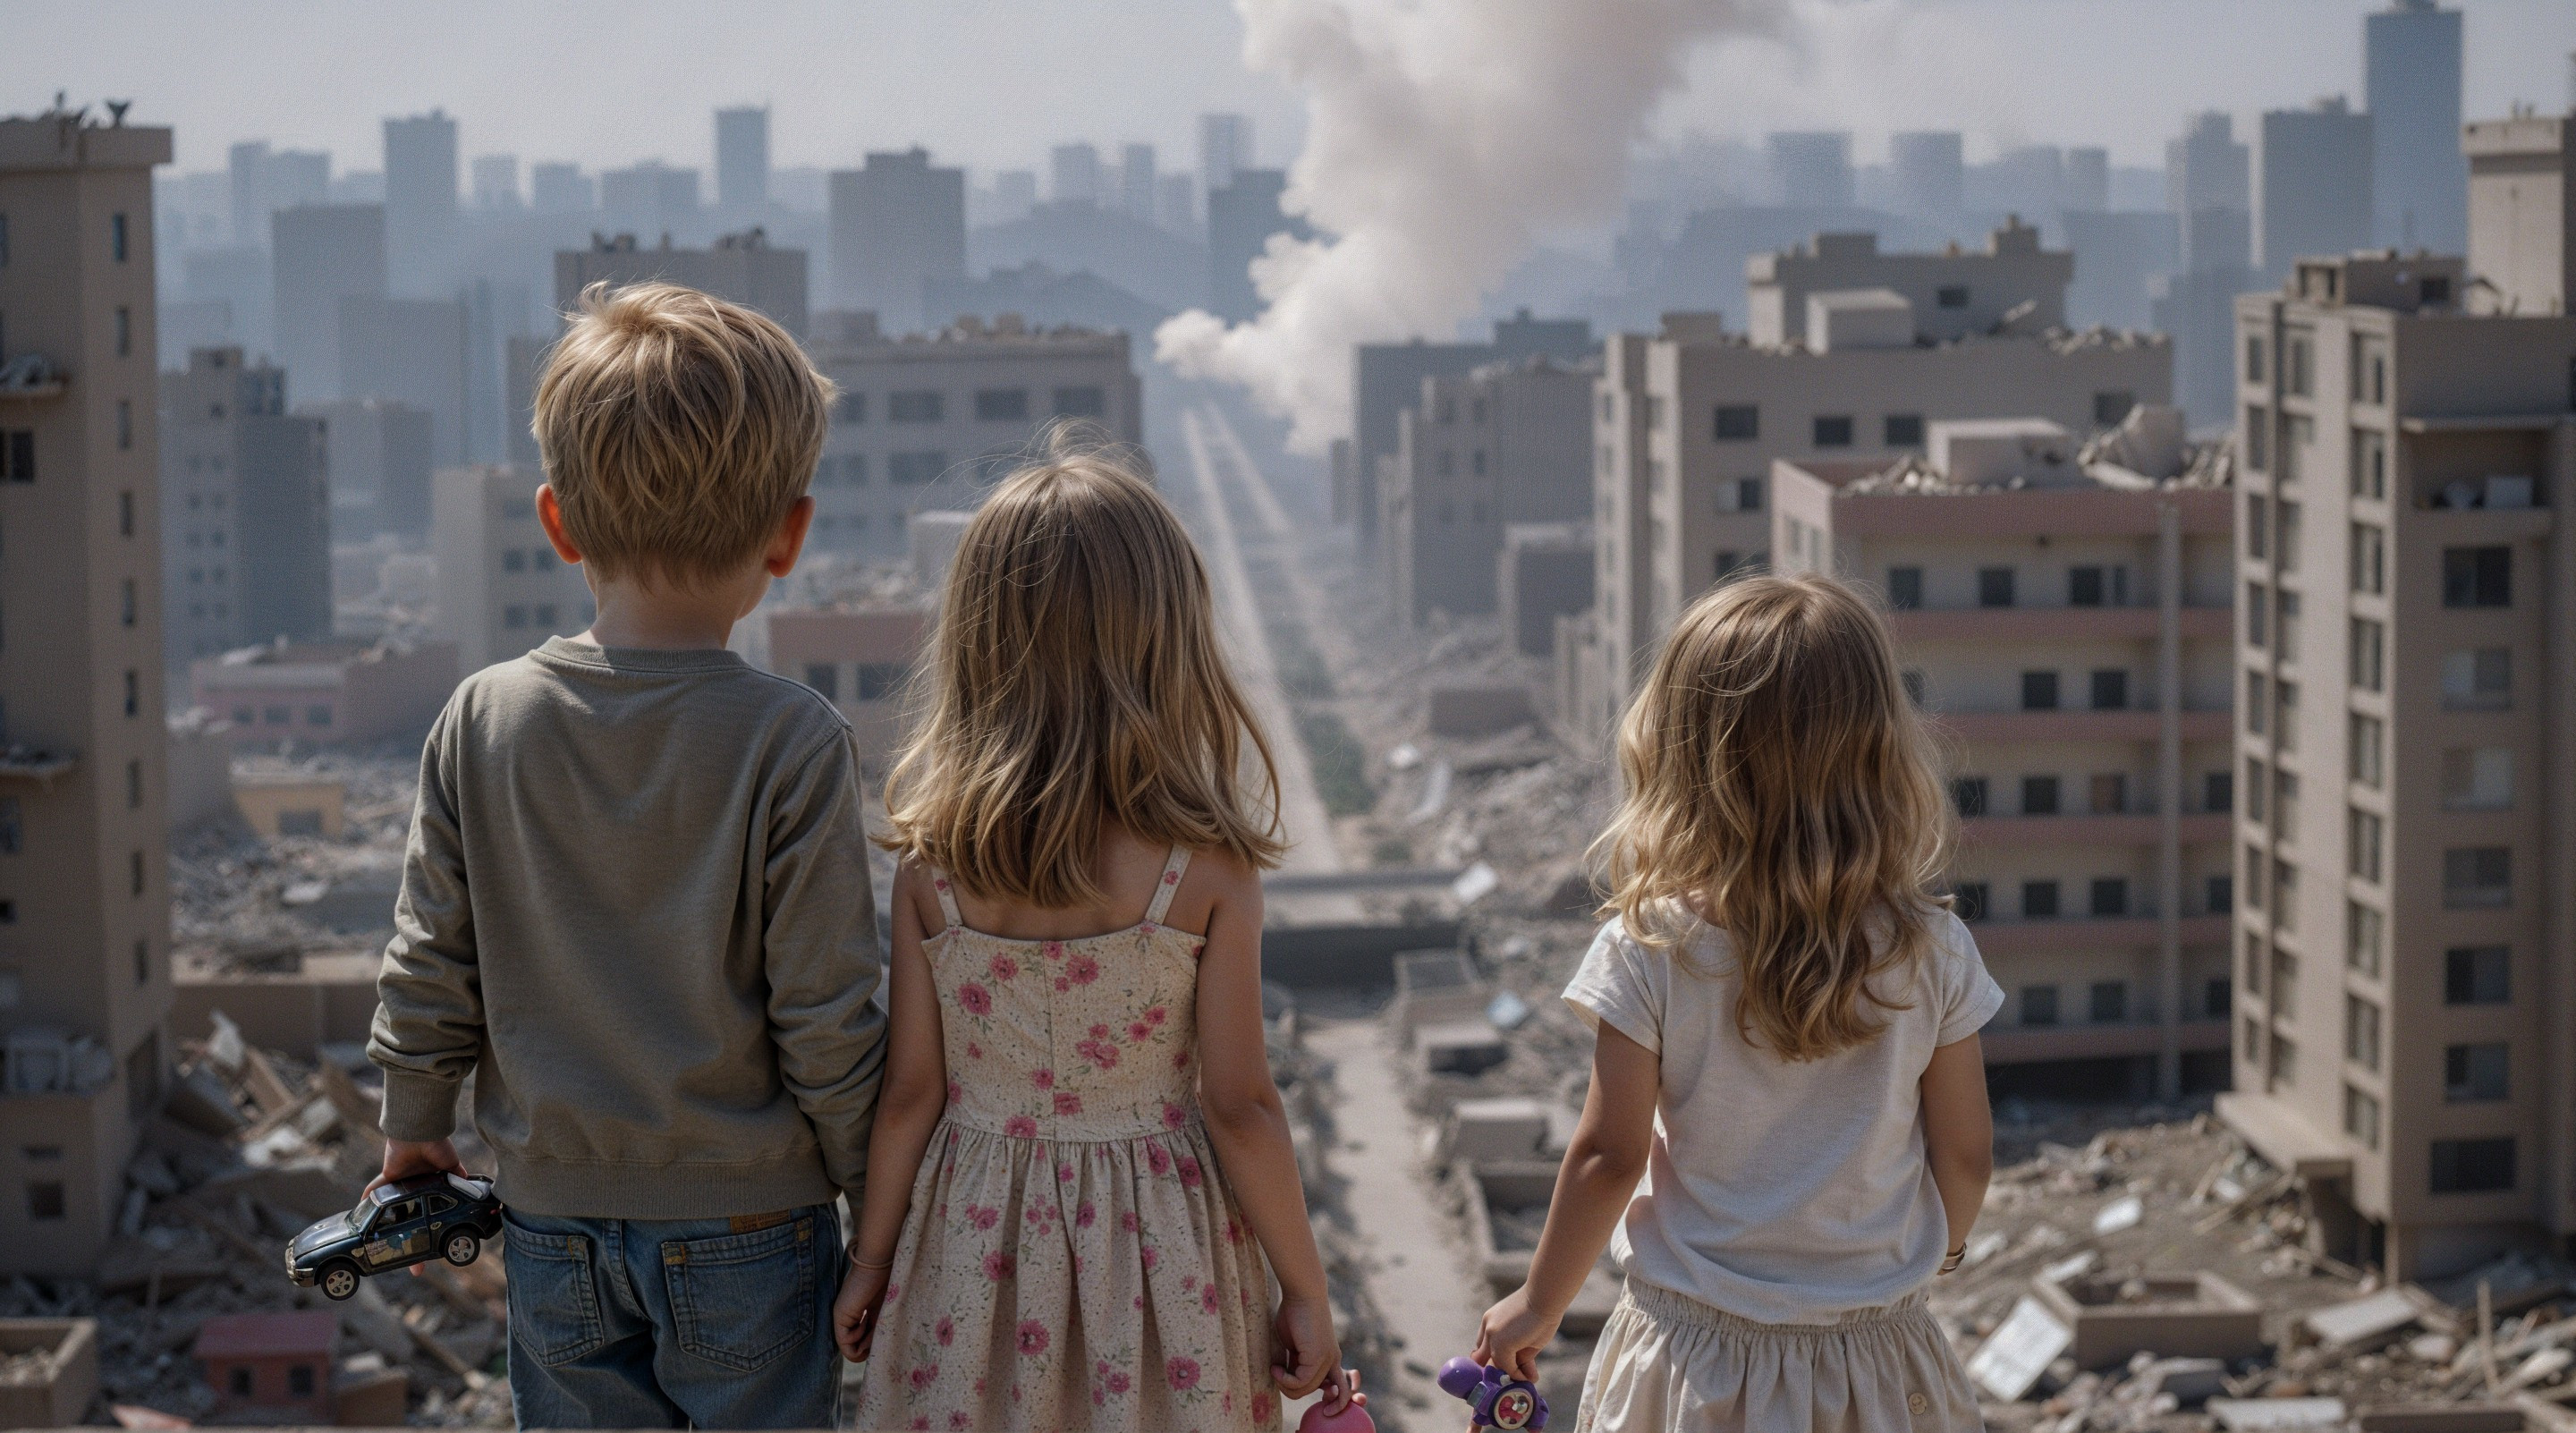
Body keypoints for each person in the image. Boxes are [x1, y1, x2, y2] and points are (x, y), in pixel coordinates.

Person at [367, 282, 885, 1429]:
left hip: (553, 1225)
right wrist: (876, 1199)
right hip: (757, 1225)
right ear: (789, 535)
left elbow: (428, 957)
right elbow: (827, 1014)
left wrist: (414, 1126)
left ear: (558, 523)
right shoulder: (792, 739)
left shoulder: (482, 717)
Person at [839, 436, 1356, 1431]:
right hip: (1159, 1259)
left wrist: (870, 1263)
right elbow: (1240, 1103)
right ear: (1169, 642)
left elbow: (909, 1095)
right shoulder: (1203, 874)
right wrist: (1307, 1289)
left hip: (969, 1248)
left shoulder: (932, 870)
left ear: (980, 641)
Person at [1476, 573, 2001, 1433]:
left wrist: (1538, 1302)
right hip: (1873, 1358)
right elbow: (1967, 1154)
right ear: (1878, 751)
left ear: (1685, 752)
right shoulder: (1932, 948)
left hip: (1694, 1362)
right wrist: (1936, 1253)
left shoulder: (1650, 947)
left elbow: (1610, 1155)